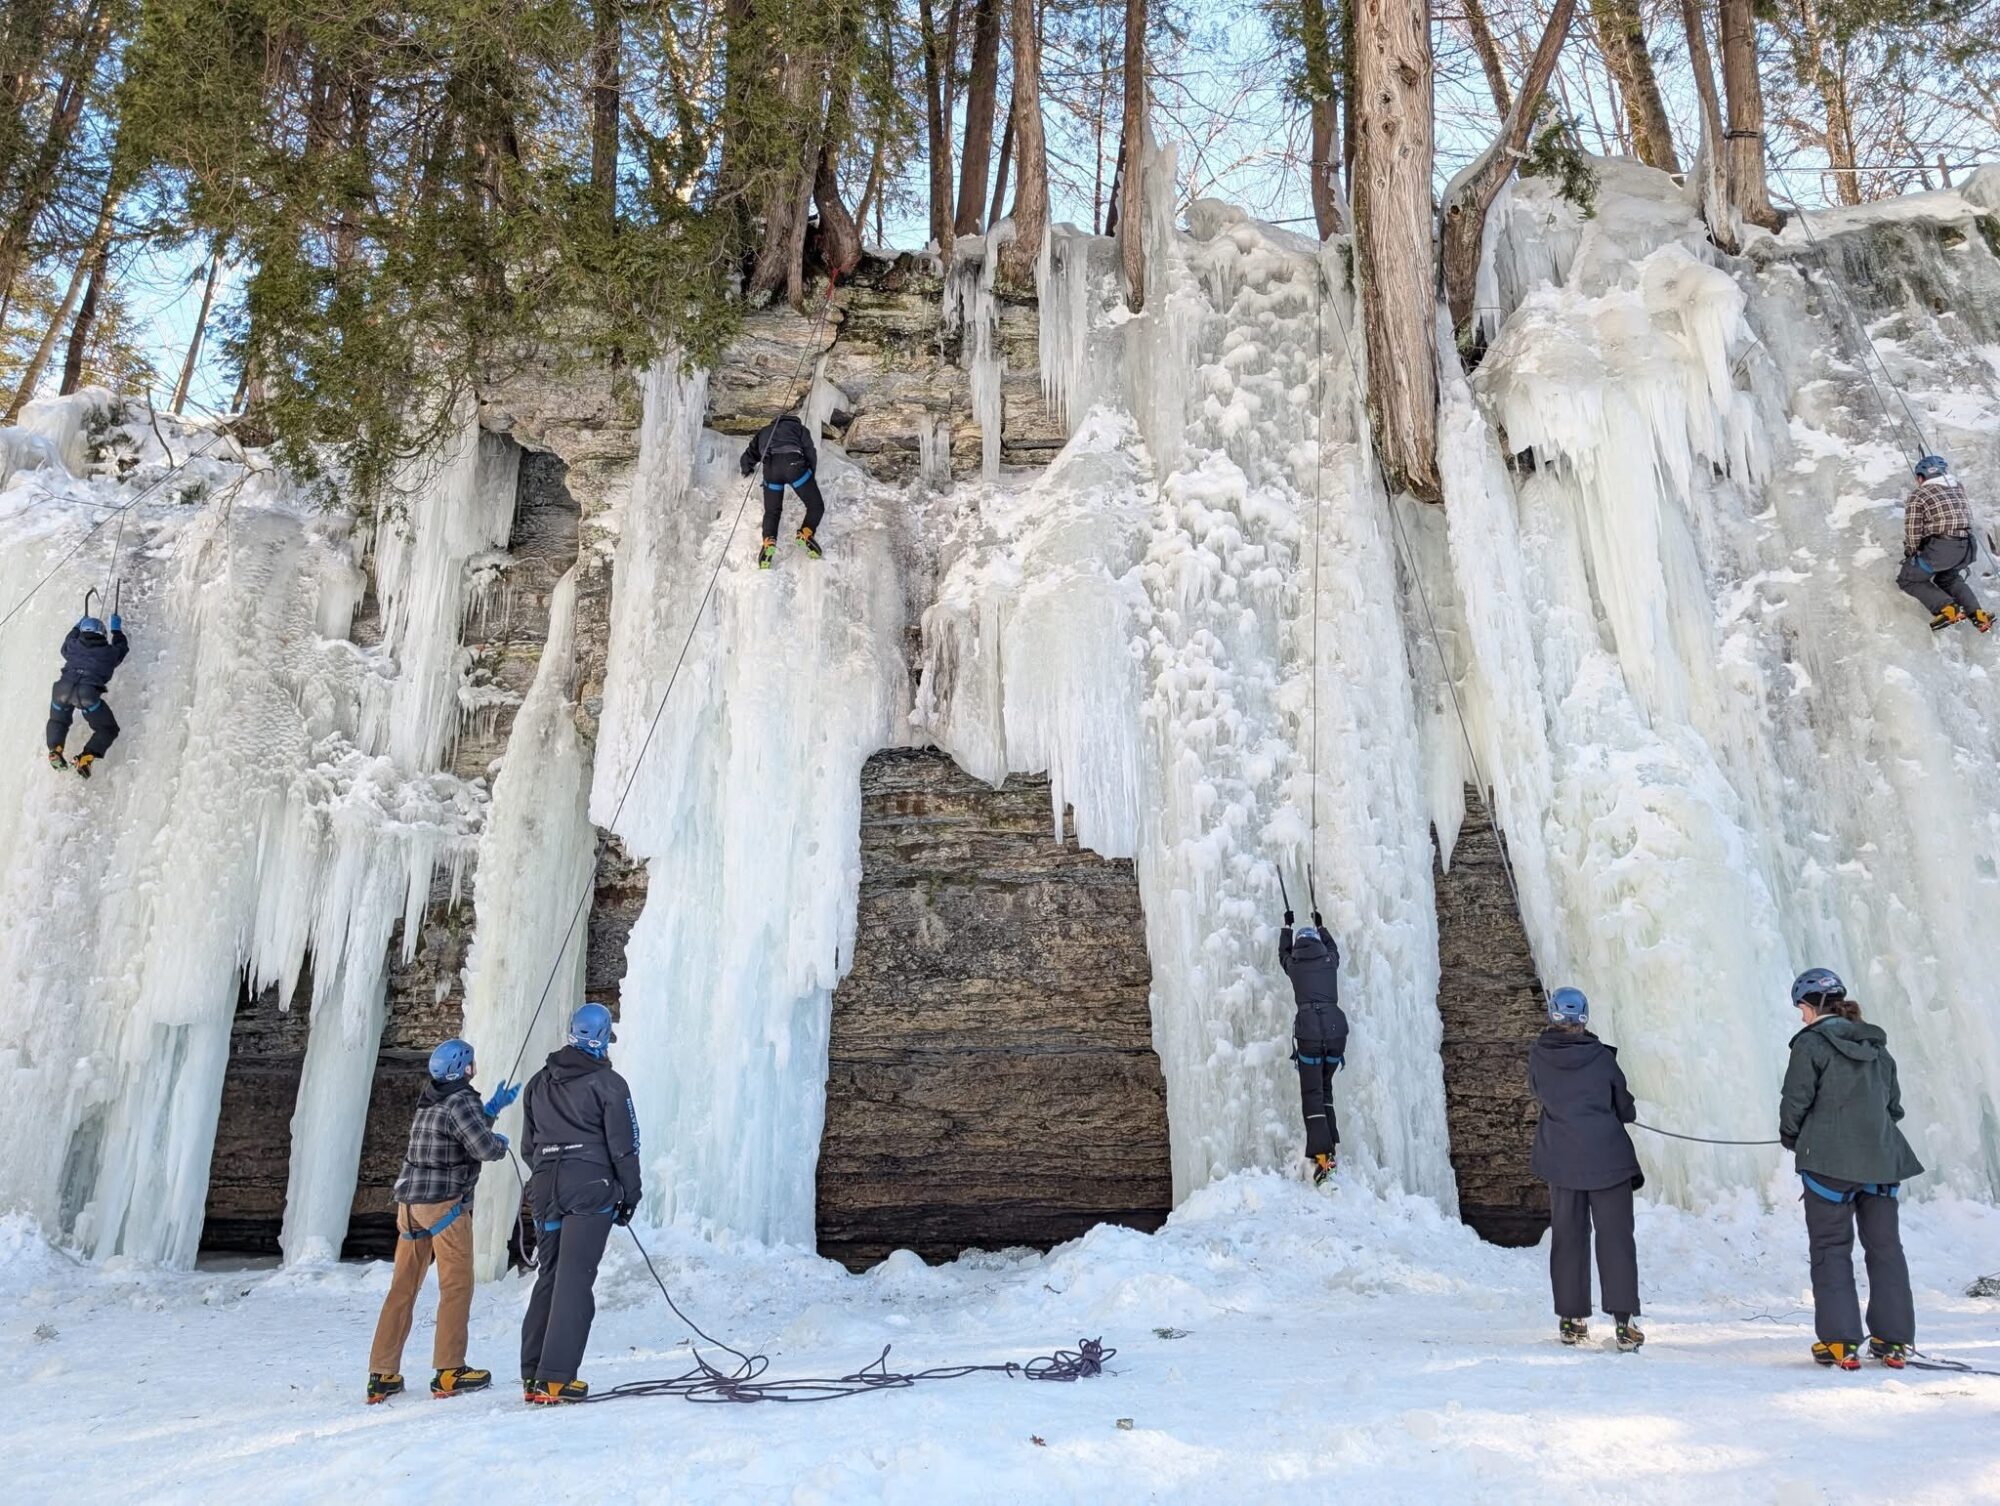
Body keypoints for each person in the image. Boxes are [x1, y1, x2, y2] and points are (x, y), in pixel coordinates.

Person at [1779, 967, 1923, 1371]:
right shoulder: (1876, 1045)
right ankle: (1894, 1342)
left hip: (1828, 1165)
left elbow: (1795, 1100)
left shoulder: (1810, 1044)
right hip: (1881, 1165)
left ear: (1811, 1006)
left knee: (1830, 1248)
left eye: (1801, 1008)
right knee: (1886, 1249)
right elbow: (1893, 1106)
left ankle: (1840, 1342)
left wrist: (1792, 1136)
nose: (1801, 1016)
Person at [366, 1037, 518, 1403]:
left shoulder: (430, 1099)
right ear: (464, 1068)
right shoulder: (462, 1100)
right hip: (443, 1206)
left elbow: (458, 1133)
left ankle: (382, 1373)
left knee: (403, 1288)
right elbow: (482, 1147)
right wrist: (500, 1143)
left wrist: (490, 1110)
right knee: (456, 1287)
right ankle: (450, 1370)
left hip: (409, 1207)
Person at [519, 1002, 643, 1404]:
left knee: (550, 1274)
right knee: (575, 1277)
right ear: (603, 1038)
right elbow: (624, 1146)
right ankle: (555, 1378)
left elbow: (527, 1146)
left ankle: (533, 1375)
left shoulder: (538, 1082)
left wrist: (548, 1174)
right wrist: (630, 1192)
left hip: (545, 1186)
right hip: (589, 1186)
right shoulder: (609, 1085)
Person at [1527, 987, 1644, 1352]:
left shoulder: (1539, 1056)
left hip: (1562, 1161)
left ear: (1553, 1016)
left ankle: (1571, 1320)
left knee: (1568, 1237)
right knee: (1615, 1238)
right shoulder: (1601, 1057)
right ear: (1583, 1017)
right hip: (1608, 1161)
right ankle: (1624, 1323)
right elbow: (1625, 1107)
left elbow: (1538, 1091)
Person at [1278, 907, 1348, 1186]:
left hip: (1310, 1032)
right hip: (1336, 1032)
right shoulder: (1329, 961)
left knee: (1313, 1094)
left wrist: (1286, 927)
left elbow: (1282, 954)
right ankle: (1331, 1143)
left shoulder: (1295, 964)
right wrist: (1322, 927)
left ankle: (1323, 1162)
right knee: (1325, 1087)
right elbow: (1334, 948)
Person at [1895, 454, 1992, 632]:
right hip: (1968, 547)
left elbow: (1913, 530)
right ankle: (1977, 614)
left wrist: (1911, 553)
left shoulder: (1919, 494)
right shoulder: (1957, 487)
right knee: (1947, 578)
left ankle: (1947, 608)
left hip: (1944, 549)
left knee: (1908, 578)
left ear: (1921, 477)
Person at [46, 611, 130, 778]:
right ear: (102, 634)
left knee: (58, 721)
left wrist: (76, 626)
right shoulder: (109, 653)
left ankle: (56, 749)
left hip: (62, 690)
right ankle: (86, 757)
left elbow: (66, 643)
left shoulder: (73, 646)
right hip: (86, 694)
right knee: (107, 729)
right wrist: (117, 631)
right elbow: (122, 648)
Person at [739, 411, 826, 569]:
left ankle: (768, 542)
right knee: (816, 506)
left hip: (771, 470)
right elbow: (810, 452)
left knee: (772, 512)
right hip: (794, 467)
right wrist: (810, 476)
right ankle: (805, 534)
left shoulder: (765, 431)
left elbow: (750, 453)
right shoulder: (799, 429)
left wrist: (746, 468)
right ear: (794, 421)